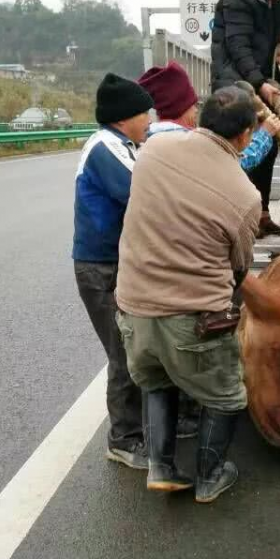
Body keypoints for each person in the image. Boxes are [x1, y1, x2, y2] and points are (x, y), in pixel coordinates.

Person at [115, 87, 261, 503]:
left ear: (198, 118)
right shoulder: (245, 195)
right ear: (247, 134)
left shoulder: (152, 152)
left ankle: (161, 465)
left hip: (133, 307)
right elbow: (239, 267)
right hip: (192, 319)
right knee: (227, 396)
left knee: (156, 381)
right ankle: (210, 474)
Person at [73, 73, 154, 469]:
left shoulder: (124, 144)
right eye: (145, 113)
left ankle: (138, 427)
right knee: (122, 351)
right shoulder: (107, 148)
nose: (150, 120)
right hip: (101, 268)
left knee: (134, 346)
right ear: (124, 117)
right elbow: (142, 193)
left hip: (116, 263)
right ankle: (123, 439)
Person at [212, 0, 280, 237]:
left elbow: (275, 39)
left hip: (258, 82)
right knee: (239, 147)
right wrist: (260, 84)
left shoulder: (274, 4)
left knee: (266, 147)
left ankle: (262, 215)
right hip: (235, 85)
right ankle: (235, 218)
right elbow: (238, 46)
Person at [137, 61, 280, 174]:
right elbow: (233, 166)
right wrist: (264, 134)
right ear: (181, 108)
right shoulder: (187, 143)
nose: (196, 111)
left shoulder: (150, 139)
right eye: (193, 105)